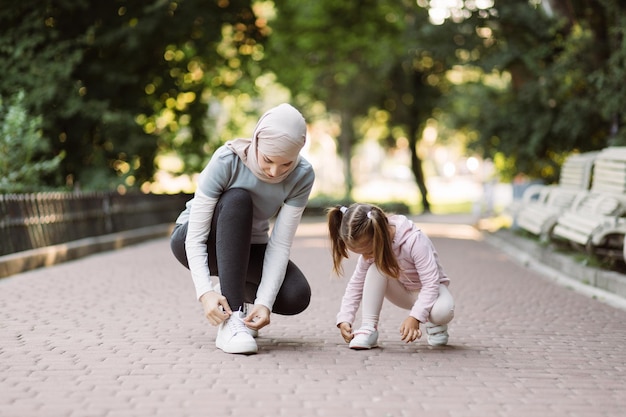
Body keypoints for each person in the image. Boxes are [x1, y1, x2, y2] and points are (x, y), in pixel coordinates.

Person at [170, 103, 315, 355]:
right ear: (257, 141)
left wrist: (264, 303)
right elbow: (195, 237)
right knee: (238, 198)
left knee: (296, 295)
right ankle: (232, 319)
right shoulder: (226, 160)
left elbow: (279, 244)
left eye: (285, 165)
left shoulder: (302, 176)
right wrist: (204, 293)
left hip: (249, 246)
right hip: (198, 239)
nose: (274, 172)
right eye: (268, 160)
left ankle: (235, 295)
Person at [327, 203, 455, 350]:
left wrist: (415, 317)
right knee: (376, 268)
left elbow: (431, 284)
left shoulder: (415, 241)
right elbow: (356, 285)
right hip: (404, 292)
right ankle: (368, 328)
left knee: (443, 312)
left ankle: (435, 325)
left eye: (368, 251)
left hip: (432, 292)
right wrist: (344, 318)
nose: (365, 257)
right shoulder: (369, 252)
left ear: (379, 236)